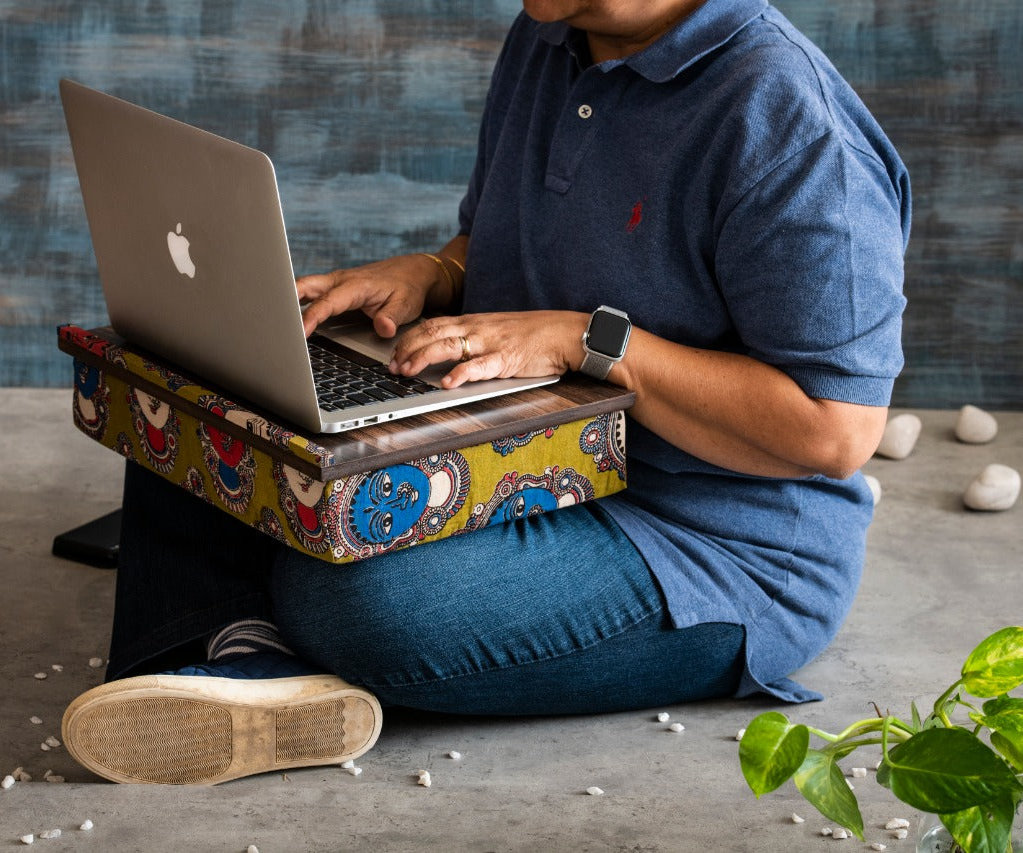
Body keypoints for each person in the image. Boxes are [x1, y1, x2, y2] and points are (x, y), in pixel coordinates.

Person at [61, 0, 909, 785]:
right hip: (534, 452)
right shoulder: (550, 33)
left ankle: (235, 632)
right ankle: (241, 662)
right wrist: (434, 272)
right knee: (203, 378)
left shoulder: (794, 127)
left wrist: (589, 337)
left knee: (360, 595)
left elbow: (834, 430)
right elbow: (500, 234)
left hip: (705, 545)